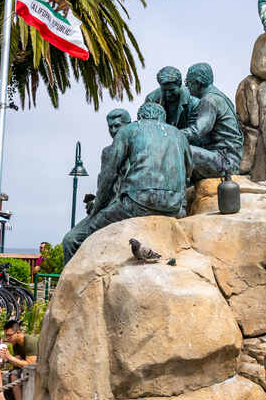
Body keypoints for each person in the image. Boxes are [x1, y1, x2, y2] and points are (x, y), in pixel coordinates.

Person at [61, 103, 192, 264]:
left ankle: (71, 286)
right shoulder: (179, 135)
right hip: (173, 207)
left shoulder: (130, 132)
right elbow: (188, 172)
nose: (114, 130)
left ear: (138, 119)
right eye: (111, 127)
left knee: (72, 239)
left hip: (136, 203)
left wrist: (96, 209)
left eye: (117, 125)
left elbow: (107, 177)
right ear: (162, 117)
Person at [182, 62, 244, 181]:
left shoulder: (209, 100)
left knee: (183, 151)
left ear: (198, 82)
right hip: (227, 158)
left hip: (225, 162)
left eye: (188, 82)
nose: (187, 86)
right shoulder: (220, 97)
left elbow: (197, 131)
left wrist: (173, 134)